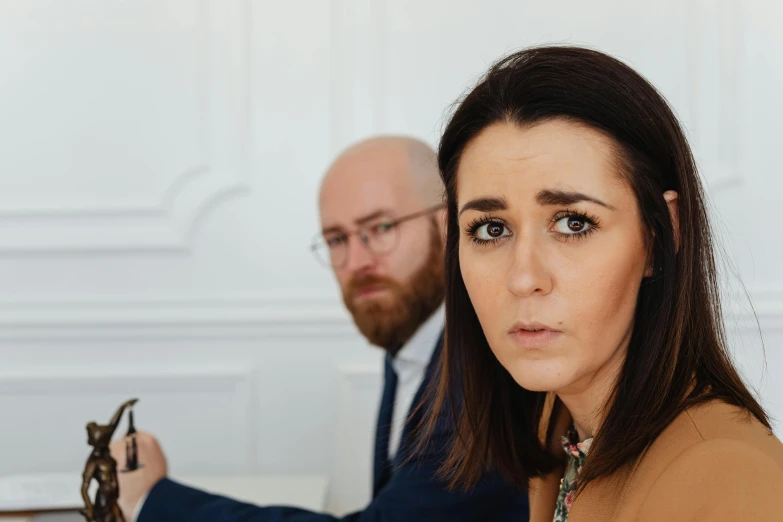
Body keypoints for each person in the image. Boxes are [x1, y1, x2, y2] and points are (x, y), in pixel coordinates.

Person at [428, 46, 783, 521]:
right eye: (491, 229)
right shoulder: (558, 423)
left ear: (660, 236)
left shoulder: (728, 480)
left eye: (573, 223)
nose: (524, 278)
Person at [110, 136, 529, 522]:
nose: (356, 261)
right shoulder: (414, 335)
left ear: (446, 224)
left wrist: (154, 501)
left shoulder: (481, 371)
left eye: (381, 228)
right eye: (336, 239)